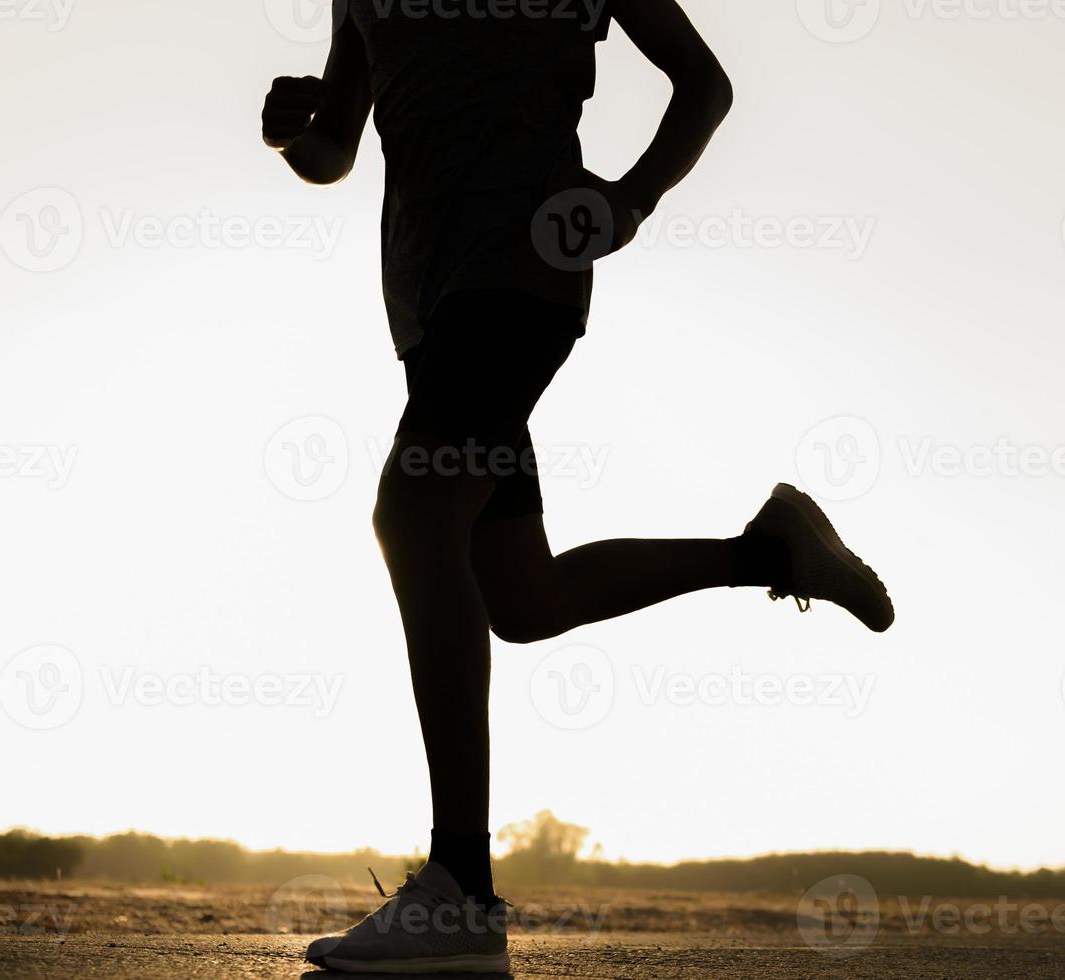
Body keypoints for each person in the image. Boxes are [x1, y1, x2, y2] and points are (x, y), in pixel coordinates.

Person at [262, 0, 893, 971]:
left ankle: (460, 891)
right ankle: (771, 548)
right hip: (427, 309)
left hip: (522, 272)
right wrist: (293, 133)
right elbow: (336, 145)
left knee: (413, 511)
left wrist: (629, 199)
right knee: (520, 596)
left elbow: (704, 85)